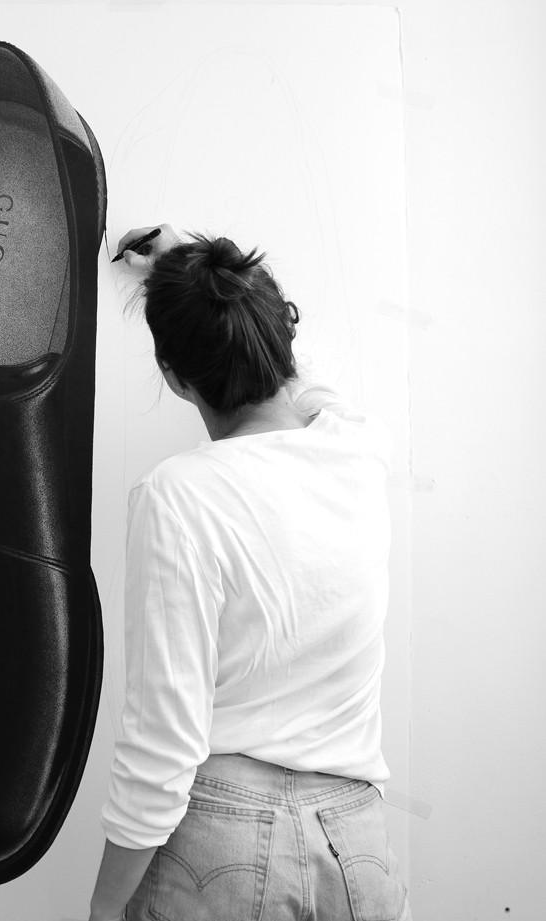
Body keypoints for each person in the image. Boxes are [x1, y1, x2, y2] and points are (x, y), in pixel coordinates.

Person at [88, 225, 412, 921]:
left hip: (223, 844)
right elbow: (304, 382)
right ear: (280, 338)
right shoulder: (360, 450)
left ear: (173, 377)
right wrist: (206, 273)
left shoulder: (179, 495)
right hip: (357, 847)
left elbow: (163, 742)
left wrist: (106, 906)